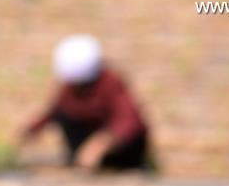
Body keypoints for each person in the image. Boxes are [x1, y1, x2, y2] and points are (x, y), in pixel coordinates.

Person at [19, 35, 153, 172]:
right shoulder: (69, 88)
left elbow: (129, 120)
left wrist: (101, 143)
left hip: (119, 153)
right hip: (86, 142)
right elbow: (56, 109)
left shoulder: (110, 83)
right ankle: (78, 159)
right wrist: (32, 129)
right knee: (65, 116)